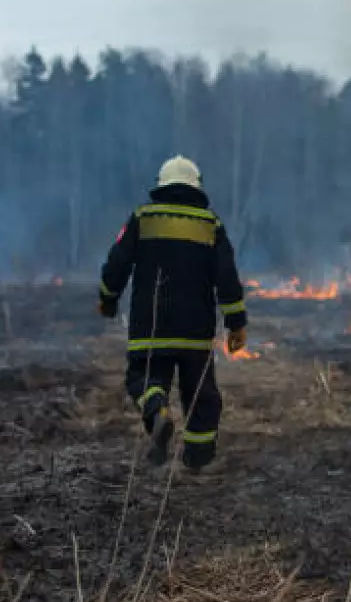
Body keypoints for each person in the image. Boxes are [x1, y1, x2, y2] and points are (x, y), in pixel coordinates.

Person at [96, 155, 247, 473]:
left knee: (143, 377)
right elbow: (227, 276)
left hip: (150, 326)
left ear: (161, 185)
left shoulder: (142, 218)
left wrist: (107, 299)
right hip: (195, 332)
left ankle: (156, 408)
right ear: (196, 187)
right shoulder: (210, 225)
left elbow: (117, 264)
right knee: (201, 396)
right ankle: (198, 460)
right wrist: (237, 324)